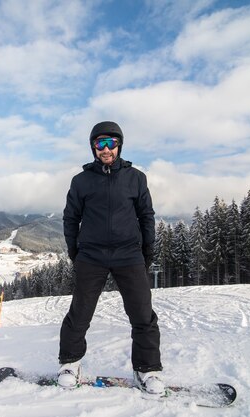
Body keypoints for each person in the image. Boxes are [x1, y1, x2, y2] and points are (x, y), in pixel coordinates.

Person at [58, 121, 163, 395]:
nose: (106, 149)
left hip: (129, 255)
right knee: (80, 313)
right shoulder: (81, 181)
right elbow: (71, 218)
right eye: (100, 143)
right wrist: (75, 251)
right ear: (93, 147)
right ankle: (70, 364)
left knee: (142, 315)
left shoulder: (136, 178)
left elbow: (146, 216)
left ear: (119, 146)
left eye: (111, 143)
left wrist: (146, 251)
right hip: (91, 256)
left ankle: (147, 370)